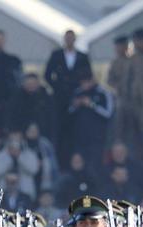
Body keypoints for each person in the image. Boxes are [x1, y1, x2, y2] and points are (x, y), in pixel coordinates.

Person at [44, 30, 92, 164]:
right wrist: (57, 87)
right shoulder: (56, 55)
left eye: (72, 38)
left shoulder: (82, 57)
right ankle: (60, 160)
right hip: (60, 99)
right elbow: (47, 74)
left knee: (76, 130)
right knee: (59, 130)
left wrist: (80, 90)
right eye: (67, 38)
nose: (69, 40)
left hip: (76, 97)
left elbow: (88, 76)